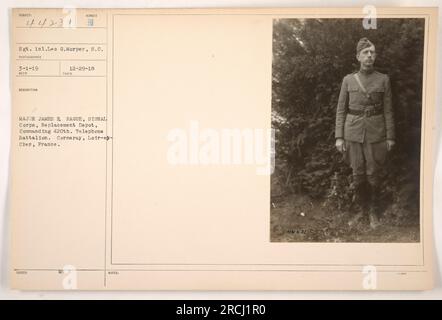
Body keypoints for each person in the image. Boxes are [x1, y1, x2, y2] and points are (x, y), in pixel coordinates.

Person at [335, 37, 395, 229]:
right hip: (352, 132)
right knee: (357, 173)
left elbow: (388, 110)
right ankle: (361, 211)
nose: (369, 56)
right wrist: (339, 137)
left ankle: (373, 213)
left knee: (373, 173)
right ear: (358, 57)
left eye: (372, 52)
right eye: (365, 53)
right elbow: (341, 110)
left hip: (376, 132)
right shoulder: (348, 80)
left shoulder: (383, 79)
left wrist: (390, 136)